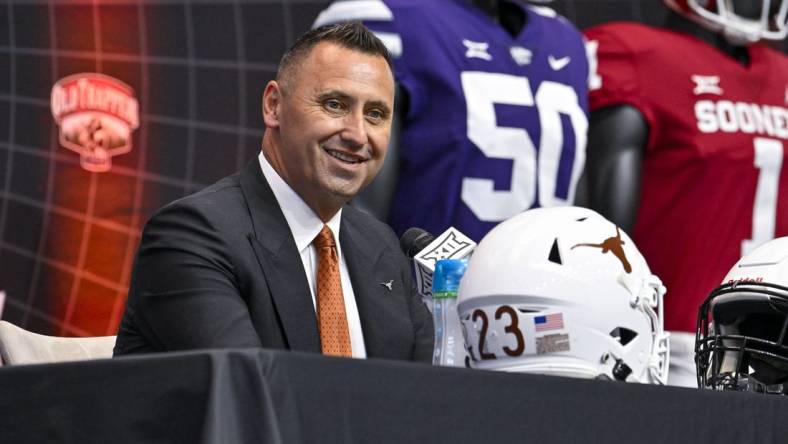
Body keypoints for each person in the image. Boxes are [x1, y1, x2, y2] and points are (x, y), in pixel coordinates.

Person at [113, 23, 434, 362]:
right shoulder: (191, 236)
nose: (357, 134)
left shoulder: (382, 246)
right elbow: (250, 392)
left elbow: (431, 394)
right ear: (273, 106)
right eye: (335, 104)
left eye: (375, 114)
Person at [582, 0, 788, 386]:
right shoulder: (639, 56)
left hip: (775, 342)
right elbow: (608, 228)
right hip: (670, 341)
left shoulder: (781, 73)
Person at [314, 0, 589, 242]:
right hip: (427, 294)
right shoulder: (389, 20)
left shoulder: (567, 40)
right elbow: (355, 216)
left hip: (547, 290)